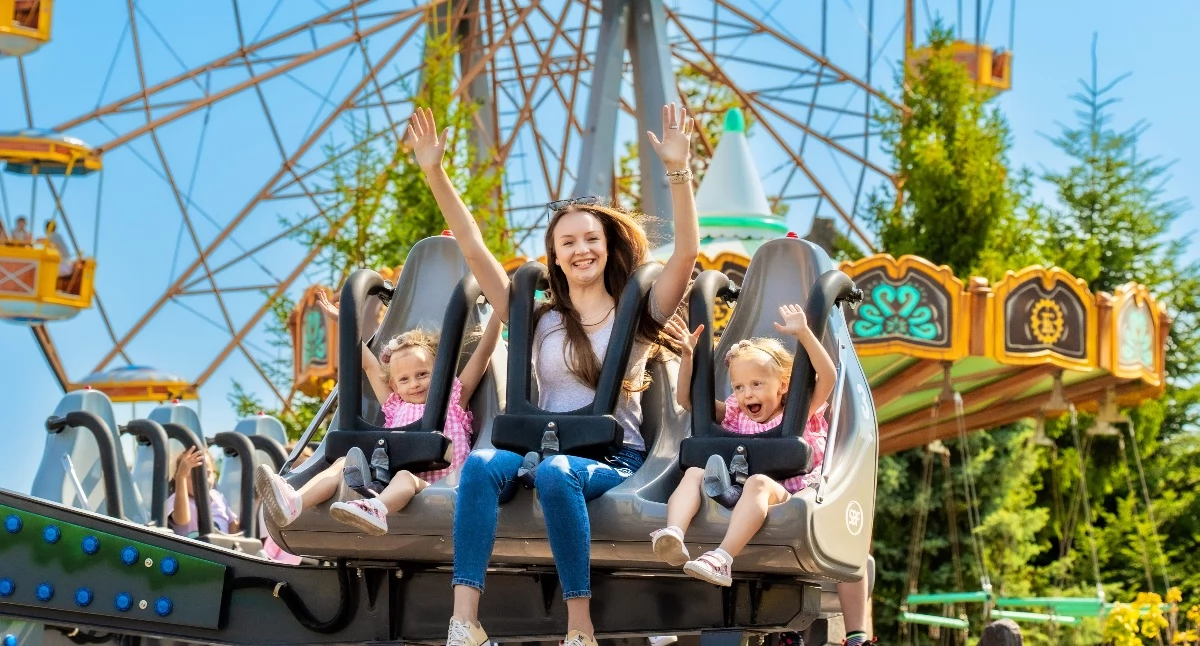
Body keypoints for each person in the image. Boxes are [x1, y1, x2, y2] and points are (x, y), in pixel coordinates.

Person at [409, 103, 700, 646]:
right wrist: (435, 172)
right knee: (481, 465)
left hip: (613, 456)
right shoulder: (538, 318)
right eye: (567, 243)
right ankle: (464, 621)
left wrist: (677, 171)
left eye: (590, 239)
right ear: (555, 258)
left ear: (607, 246)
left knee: (556, 473)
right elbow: (474, 250)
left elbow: (686, 252)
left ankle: (579, 629)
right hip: (542, 444)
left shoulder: (636, 313)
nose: (581, 249)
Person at [651, 307, 875, 646]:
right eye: (739, 386)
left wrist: (803, 335)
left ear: (783, 384)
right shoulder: (736, 415)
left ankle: (722, 557)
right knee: (695, 470)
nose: (747, 394)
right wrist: (687, 357)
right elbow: (687, 400)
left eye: (757, 384)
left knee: (756, 482)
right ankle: (674, 533)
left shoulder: (797, 409)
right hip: (745, 496)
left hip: (789, 492)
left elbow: (827, 377)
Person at [256, 291, 501, 536]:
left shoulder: (454, 398)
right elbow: (370, 364)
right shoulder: (395, 405)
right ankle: (295, 502)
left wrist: (501, 308)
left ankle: (376, 509)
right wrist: (345, 323)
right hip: (385, 482)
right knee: (344, 463)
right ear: (394, 385)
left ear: (440, 373)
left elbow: (484, 353)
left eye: (423, 374)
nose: (414, 384)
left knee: (405, 476)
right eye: (404, 379)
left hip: (440, 488)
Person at [167, 446, 240, 538]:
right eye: (193, 476)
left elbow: (233, 526)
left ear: (214, 474)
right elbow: (181, 520)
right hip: (192, 550)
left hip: (220, 548)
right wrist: (181, 477)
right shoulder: (177, 498)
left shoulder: (218, 497)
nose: (201, 480)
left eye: (207, 474)